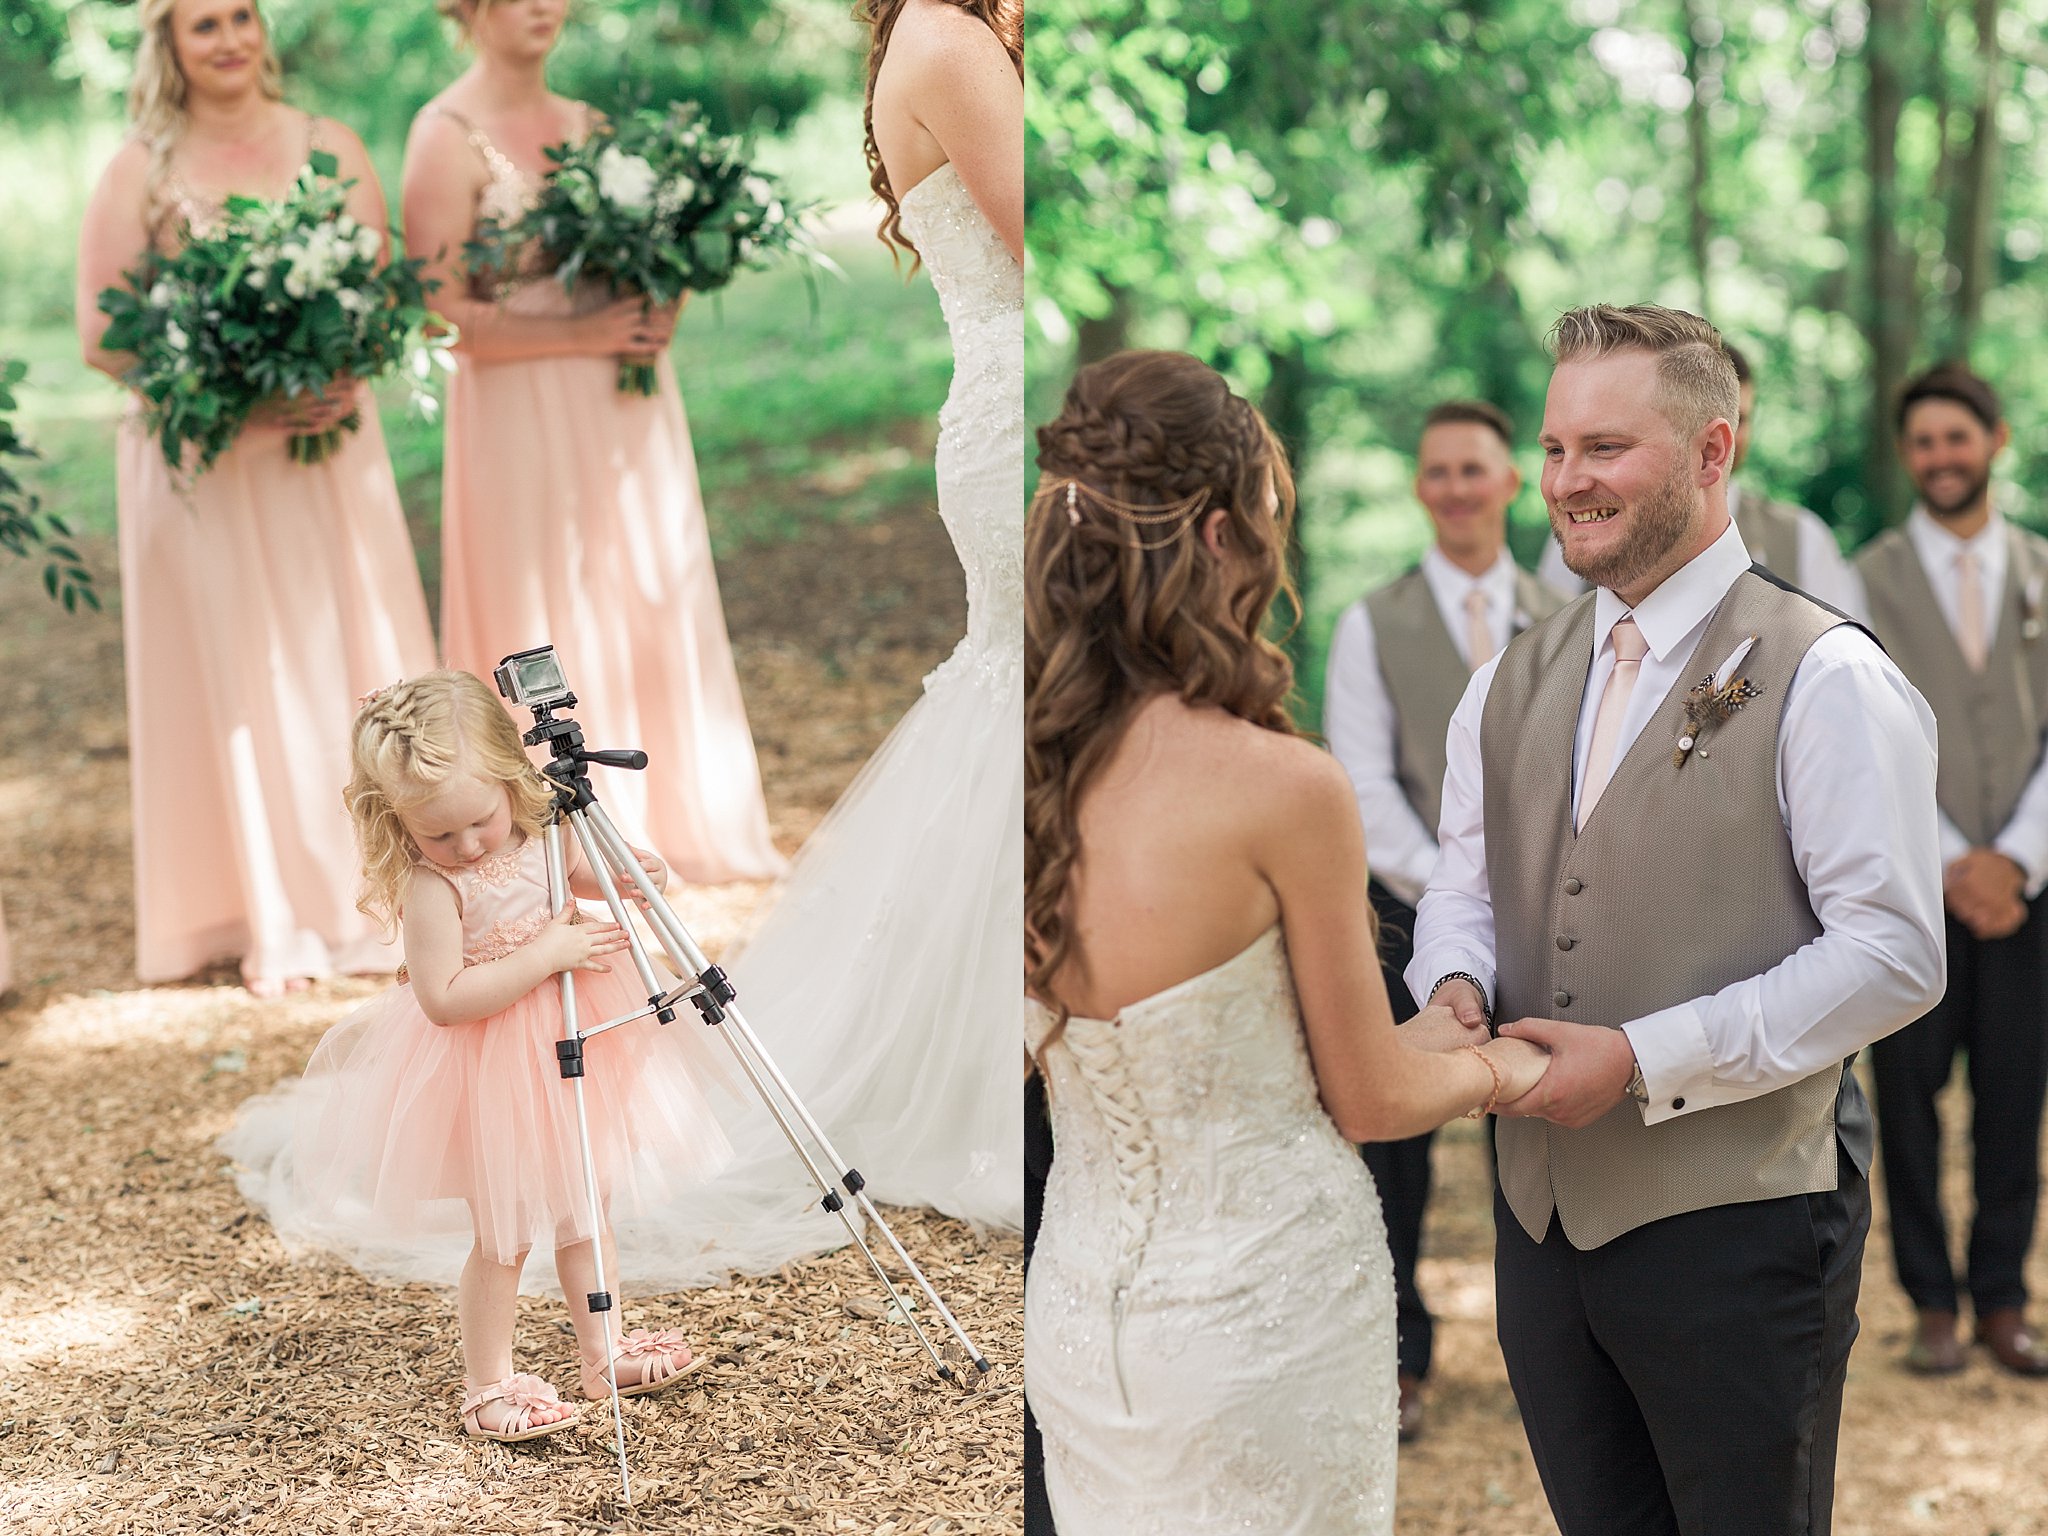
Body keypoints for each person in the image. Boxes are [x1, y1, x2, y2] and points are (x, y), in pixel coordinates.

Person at [1410, 303, 1946, 1534]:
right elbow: (1463, 888)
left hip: (1742, 1230)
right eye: (1551, 450)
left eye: (1604, 449)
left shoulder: (1826, 674)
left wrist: (1648, 1059)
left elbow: (1894, 954)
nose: (1564, 483)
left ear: (1711, 455)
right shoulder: (1505, 681)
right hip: (1541, 1227)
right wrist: (1453, 990)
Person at [1023, 350, 1549, 1535]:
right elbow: (1363, 1101)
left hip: (1074, 1318)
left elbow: (1162, 1057)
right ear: (1219, 538)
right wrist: (1496, 1067)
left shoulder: (1020, 778)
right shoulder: (1280, 788)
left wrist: (1426, 1024)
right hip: (1265, 1322)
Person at [569, 0, 1026, 1289]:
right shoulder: (946, 34)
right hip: (1017, 416)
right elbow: (1055, 244)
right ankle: (987, 1077)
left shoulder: (959, 31)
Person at [218, 671, 734, 1438]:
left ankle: (603, 1352)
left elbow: (589, 874)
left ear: (508, 781)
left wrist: (633, 874)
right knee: (503, 1236)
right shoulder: (435, 889)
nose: (465, 846)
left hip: (576, 1034)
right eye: (438, 834)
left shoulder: (538, 831)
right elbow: (445, 999)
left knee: (587, 1206)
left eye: (479, 822)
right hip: (492, 1064)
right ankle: (488, 1383)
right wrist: (547, 953)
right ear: (398, 823)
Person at [74, 0, 436, 994]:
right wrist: (238, 393)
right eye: (204, 25)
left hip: (323, 449)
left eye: (241, 15)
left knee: (345, 658)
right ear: (170, 45)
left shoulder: (328, 144)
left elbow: (378, 294)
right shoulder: (137, 169)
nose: (229, 37)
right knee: (240, 674)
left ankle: (388, 887)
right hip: (210, 461)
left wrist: (336, 370)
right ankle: (265, 908)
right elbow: (103, 338)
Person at [401, 0, 781, 884]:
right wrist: (589, 329)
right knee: (541, 587)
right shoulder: (442, 135)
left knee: (642, 575)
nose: (543, 6)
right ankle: (564, 838)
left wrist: (661, 304)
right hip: (516, 403)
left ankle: (679, 810)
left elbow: (654, 260)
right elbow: (439, 311)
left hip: (621, 399)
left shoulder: (594, 128)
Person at [1322, 398, 1565, 1440]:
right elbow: (1361, 790)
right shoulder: (1370, 622)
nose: (1457, 488)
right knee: (1396, 1155)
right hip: (1396, 918)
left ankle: (1558, 1356)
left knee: (1545, 1127)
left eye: (1475, 468)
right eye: (1438, 471)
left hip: (1555, 914)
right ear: (1419, 489)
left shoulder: (1569, 617)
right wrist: (1453, 900)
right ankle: (1397, 1357)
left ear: (1511, 483)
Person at [1855, 362, 2048, 1377]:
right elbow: (1859, 739)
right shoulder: (1864, 577)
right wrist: (1943, 864)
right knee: (1908, 1101)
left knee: (2015, 1100)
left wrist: (2013, 860)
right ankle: (1929, 1300)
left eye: (1955, 439)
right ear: (1906, 457)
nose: (1938, 458)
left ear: (1993, 441)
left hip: (2026, 894)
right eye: (1921, 443)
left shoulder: (2041, 567)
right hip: (1908, 889)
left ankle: (2002, 1298)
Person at [1539, 341, 1863, 617]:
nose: (1736, 436)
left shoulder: (1802, 536)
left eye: (1743, 419)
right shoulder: (1586, 524)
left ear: (1713, 447)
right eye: (1554, 450)